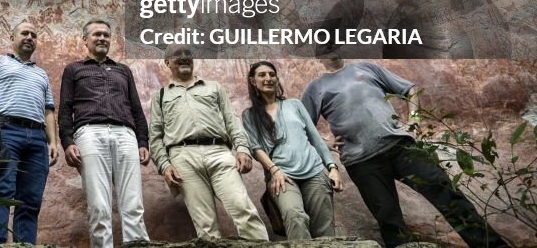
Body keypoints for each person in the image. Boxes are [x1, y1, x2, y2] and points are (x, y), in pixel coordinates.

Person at [302, 57, 510, 248]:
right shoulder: (315, 88)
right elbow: (303, 126)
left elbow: (410, 89)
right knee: (389, 219)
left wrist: (415, 119)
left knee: (448, 194)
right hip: (362, 162)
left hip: (401, 147)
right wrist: (325, 143)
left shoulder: (366, 67)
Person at [148, 46, 269, 241]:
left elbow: (232, 120)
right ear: (167, 62)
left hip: (219, 152)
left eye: (188, 54)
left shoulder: (214, 87)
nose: (184, 58)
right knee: (205, 226)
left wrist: (242, 149)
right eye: (177, 55)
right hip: (182, 158)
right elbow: (155, 136)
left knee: (243, 209)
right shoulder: (161, 96)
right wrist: (164, 165)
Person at [59, 20, 150, 248]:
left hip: (125, 134)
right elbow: (65, 107)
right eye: (97, 34)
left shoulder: (123, 70)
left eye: (106, 35)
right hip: (89, 133)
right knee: (99, 204)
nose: (102, 38)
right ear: (85, 40)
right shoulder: (74, 69)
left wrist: (143, 141)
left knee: (133, 203)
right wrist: (67, 141)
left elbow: (136, 108)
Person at [0, 20, 59, 244]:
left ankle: (25, 244)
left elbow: (49, 110)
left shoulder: (41, 74)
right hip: (4, 131)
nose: (30, 37)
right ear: (13, 38)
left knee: (30, 199)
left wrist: (53, 142)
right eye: (25, 33)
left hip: (37, 138)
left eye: (34, 34)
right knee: (1, 191)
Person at [242, 60, 343, 239]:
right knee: (294, 216)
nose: (268, 78)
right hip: (282, 176)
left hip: (315, 171)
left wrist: (332, 168)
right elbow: (256, 148)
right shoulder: (249, 116)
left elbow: (315, 138)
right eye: (262, 75)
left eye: (272, 74)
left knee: (324, 225)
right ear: (253, 81)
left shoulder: (294, 105)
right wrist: (274, 171)